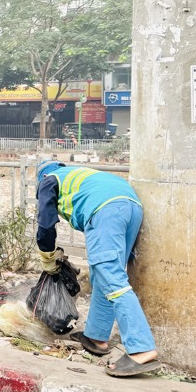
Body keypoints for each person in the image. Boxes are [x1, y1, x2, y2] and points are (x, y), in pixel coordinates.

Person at [35, 160, 161, 377]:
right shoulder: (80, 174)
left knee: (112, 278)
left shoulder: (48, 180)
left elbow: (46, 224)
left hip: (105, 211)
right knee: (103, 275)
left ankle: (141, 349)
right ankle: (96, 337)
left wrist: (47, 254)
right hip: (131, 207)